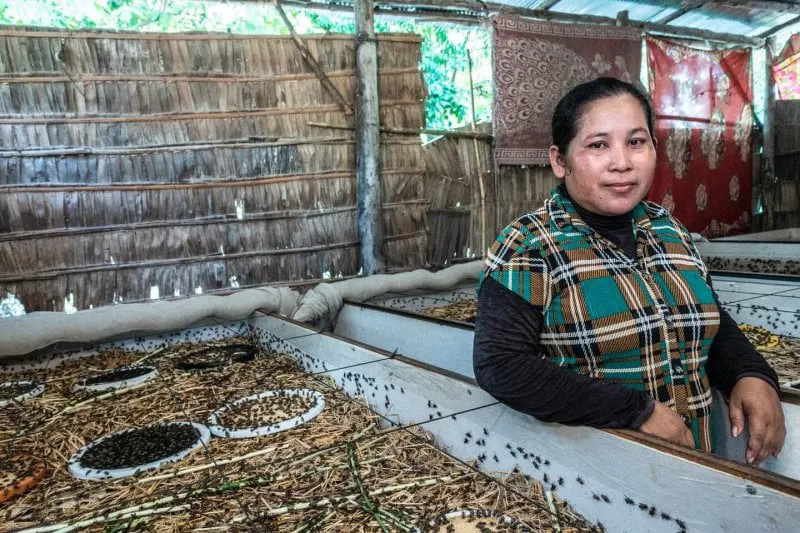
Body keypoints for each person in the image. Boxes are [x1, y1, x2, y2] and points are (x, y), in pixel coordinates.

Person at [473, 77, 786, 463]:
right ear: (559, 160)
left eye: (636, 142)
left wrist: (750, 373)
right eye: (598, 145)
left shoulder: (668, 230)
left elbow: (704, 320)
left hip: (702, 462)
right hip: (600, 477)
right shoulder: (528, 245)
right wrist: (638, 412)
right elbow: (501, 366)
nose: (621, 163)